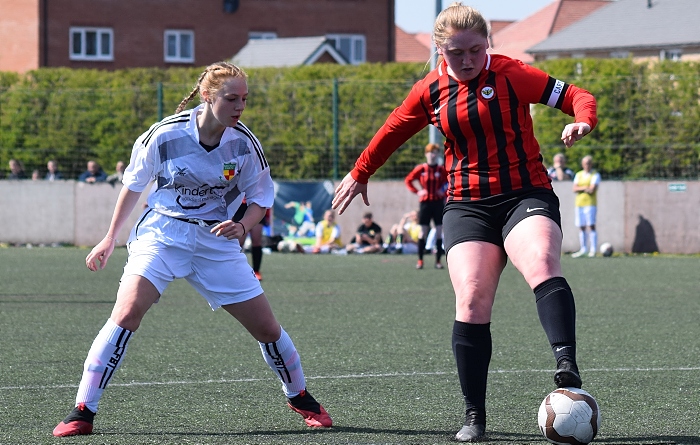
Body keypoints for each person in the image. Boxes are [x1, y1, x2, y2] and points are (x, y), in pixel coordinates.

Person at [331, 3, 596, 441]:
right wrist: (361, 171)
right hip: (467, 204)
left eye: (476, 49)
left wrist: (583, 121)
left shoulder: (513, 74)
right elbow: (392, 129)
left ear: (488, 44)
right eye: (457, 53)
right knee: (471, 297)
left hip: (525, 193)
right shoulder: (430, 90)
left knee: (543, 261)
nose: (469, 59)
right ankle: (475, 416)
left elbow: (575, 96)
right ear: (440, 51)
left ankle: (565, 361)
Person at [52, 61, 332, 437]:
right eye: (231, 98)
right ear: (207, 96)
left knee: (267, 328)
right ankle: (83, 409)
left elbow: (261, 198)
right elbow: (134, 186)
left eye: (244, 99)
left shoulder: (245, 144)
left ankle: (299, 396)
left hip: (215, 242)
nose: (239, 106)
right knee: (127, 311)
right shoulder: (164, 134)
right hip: (162, 234)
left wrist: (243, 225)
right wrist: (109, 237)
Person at [405, 143, 448, 269]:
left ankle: (438, 261)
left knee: (439, 231)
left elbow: (451, 181)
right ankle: (420, 260)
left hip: (438, 203)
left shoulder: (441, 169)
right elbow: (408, 180)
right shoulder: (421, 169)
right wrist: (418, 191)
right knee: (422, 231)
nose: (432, 155)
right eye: (430, 152)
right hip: (425, 203)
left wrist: (444, 192)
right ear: (426, 154)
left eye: (435, 152)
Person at [571, 155, 601, 258]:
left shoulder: (595, 174)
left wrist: (581, 187)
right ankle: (583, 249)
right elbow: (574, 188)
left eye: (588, 163)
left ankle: (593, 249)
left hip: (590, 204)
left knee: (591, 225)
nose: (587, 165)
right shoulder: (578, 174)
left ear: (591, 164)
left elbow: (592, 189)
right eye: (585, 163)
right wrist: (585, 187)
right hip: (579, 204)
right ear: (582, 164)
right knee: (581, 226)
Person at [234, 198, 270, 280]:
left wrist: (267, 214)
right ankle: (235, 270)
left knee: (257, 240)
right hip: (241, 207)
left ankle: (256, 271)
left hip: (256, 204)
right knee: (239, 243)